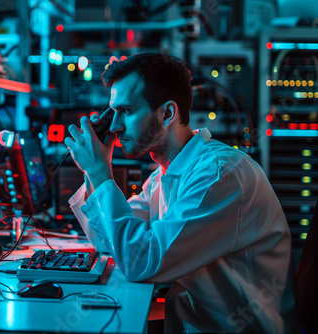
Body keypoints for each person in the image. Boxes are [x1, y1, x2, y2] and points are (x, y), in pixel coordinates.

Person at [64, 52, 300, 333]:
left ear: (167, 113)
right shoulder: (166, 174)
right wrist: (93, 171)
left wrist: (102, 174)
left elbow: (139, 262)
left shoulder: (217, 175)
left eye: (126, 111)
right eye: (112, 113)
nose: (114, 126)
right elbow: (112, 244)